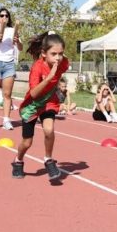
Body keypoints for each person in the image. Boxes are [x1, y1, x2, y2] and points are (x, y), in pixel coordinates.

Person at [12, 32, 69, 181]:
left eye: (61, 53)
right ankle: (18, 161)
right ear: (43, 53)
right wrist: (49, 77)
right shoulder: (37, 68)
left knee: (49, 130)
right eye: (54, 54)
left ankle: (48, 159)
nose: (58, 58)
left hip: (49, 102)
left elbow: (64, 63)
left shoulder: (62, 63)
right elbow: (34, 93)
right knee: (27, 142)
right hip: (32, 106)